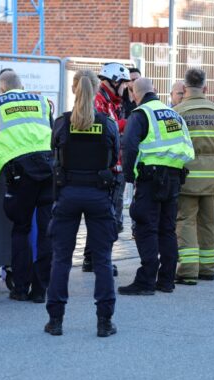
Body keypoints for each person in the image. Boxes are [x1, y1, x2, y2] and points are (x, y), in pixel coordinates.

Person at [45, 70, 120, 337]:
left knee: (61, 259)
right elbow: (114, 159)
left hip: (68, 194)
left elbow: (54, 153)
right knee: (102, 259)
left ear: (74, 89)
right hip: (99, 195)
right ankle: (104, 322)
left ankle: (55, 321)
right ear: (97, 89)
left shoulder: (61, 122)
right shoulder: (107, 122)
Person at [0, 70, 54, 303]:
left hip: (20, 173)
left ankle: (20, 287)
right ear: (21, 86)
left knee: (21, 228)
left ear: (1, 88)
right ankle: (41, 289)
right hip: (48, 168)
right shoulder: (40, 101)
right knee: (45, 229)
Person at [118, 78, 194, 295]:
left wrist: (129, 176)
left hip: (150, 178)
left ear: (135, 93)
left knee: (145, 227)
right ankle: (167, 280)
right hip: (173, 177)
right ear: (155, 91)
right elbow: (187, 146)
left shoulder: (141, 114)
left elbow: (129, 146)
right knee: (167, 229)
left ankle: (146, 281)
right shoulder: (173, 114)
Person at [173, 68, 214, 285]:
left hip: (187, 176)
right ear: (205, 87)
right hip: (211, 178)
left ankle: (188, 270)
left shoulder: (177, 112)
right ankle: (207, 268)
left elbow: (172, 143)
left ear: (184, 87)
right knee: (208, 222)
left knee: (186, 221)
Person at [81, 62, 130, 274]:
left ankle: (92, 259)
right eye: (124, 83)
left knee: (107, 216)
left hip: (113, 166)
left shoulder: (113, 101)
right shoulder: (99, 101)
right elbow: (104, 128)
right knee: (109, 217)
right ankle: (100, 260)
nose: (126, 87)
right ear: (114, 81)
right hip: (107, 168)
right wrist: (129, 124)